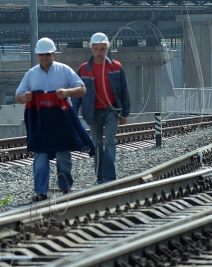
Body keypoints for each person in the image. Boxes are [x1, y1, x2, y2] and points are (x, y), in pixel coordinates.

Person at [15, 37, 92, 201]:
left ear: (54, 54)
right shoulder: (31, 75)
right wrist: (25, 97)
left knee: (63, 154)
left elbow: (82, 89)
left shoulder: (65, 71)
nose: (44, 57)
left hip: (61, 121)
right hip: (40, 122)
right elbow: (18, 96)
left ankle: (65, 188)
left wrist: (67, 93)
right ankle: (41, 192)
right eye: (41, 55)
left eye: (47, 54)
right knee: (40, 155)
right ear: (37, 56)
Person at [72, 32, 131, 185]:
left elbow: (124, 90)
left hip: (111, 111)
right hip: (92, 113)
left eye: (102, 49)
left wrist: (125, 113)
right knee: (97, 143)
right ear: (91, 49)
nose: (99, 52)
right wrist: (74, 113)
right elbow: (78, 93)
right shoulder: (84, 69)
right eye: (96, 49)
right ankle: (100, 176)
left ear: (107, 49)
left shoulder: (116, 67)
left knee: (110, 141)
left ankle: (109, 177)